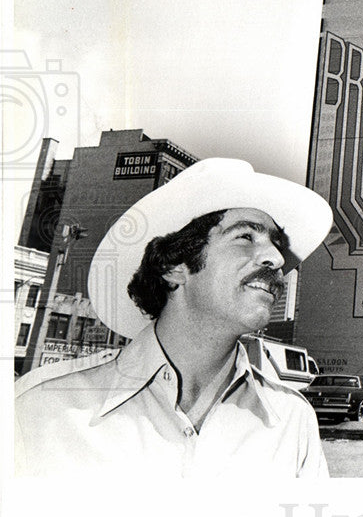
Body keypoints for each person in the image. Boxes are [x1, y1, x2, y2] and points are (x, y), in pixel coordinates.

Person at [15, 158, 333, 478]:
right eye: (245, 237)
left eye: (276, 244)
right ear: (175, 267)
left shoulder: (292, 420)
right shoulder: (42, 409)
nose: (277, 259)